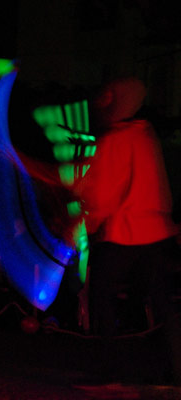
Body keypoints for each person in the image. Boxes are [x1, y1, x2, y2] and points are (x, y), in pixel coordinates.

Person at [74, 77, 181, 384]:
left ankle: (110, 371)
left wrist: (88, 222)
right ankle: (176, 370)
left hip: (126, 232)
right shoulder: (146, 135)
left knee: (101, 296)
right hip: (156, 231)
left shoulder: (115, 139)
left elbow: (104, 193)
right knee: (162, 302)